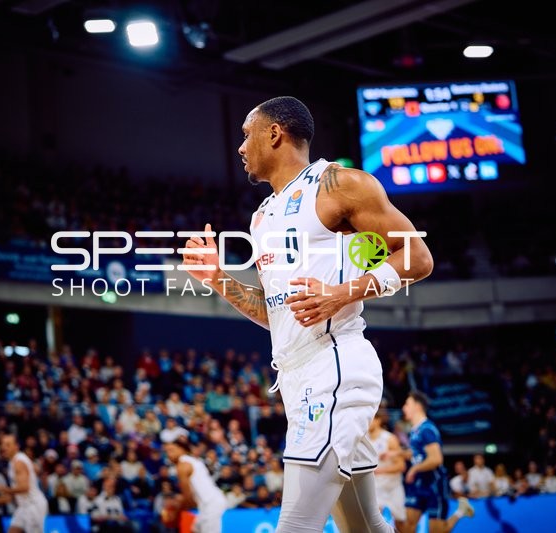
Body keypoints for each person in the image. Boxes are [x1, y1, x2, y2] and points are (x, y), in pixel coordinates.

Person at [182, 96, 434, 532]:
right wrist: (219, 279)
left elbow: (418, 257)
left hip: (335, 366)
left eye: (246, 134)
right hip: (297, 376)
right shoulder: (262, 217)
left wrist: (341, 294)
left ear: (274, 133)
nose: (240, 147)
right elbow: (278, 313)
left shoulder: (339, 184)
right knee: (363, 526)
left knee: (296, 525)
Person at [401, 391, 474, 533]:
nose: (404, 408)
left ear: (417, 406)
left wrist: (414, 469)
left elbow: (436, 459)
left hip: (434, 484)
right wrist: (395, 453)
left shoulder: (427, 429)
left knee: (437, 531)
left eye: (407, 404)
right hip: (419, 483)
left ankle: (460, 511)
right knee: (407, 527)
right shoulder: (415, 430)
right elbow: (416, 453)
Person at [162, 436, 227, 533]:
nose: (168, 454)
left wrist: (176, 511)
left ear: (182, 449)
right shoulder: (192, 460)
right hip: (209, 503)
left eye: (171, 450)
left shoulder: (182, 466)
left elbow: (188, 498)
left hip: (211, 504)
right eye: (166, 452)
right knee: (195, 530)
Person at [0, 434, 48, 533]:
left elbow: (24, 488)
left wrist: (4, 489)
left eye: (8, 445)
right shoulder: (15, 460)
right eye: (3, 444)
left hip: (33, 505)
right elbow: (35, 470)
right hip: (23, 506)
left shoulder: (19, 462)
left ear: (16, 446)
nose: (4, 448)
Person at [369, 409, 406, 529]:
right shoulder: (363, 440)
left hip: (393, 487)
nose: (367, 421)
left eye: (370, 418)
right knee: (373, 523)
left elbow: (401, 466)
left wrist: (379, 471)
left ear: (378, 420)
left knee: (400, 522)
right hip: (376, 487)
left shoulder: (389, 439)